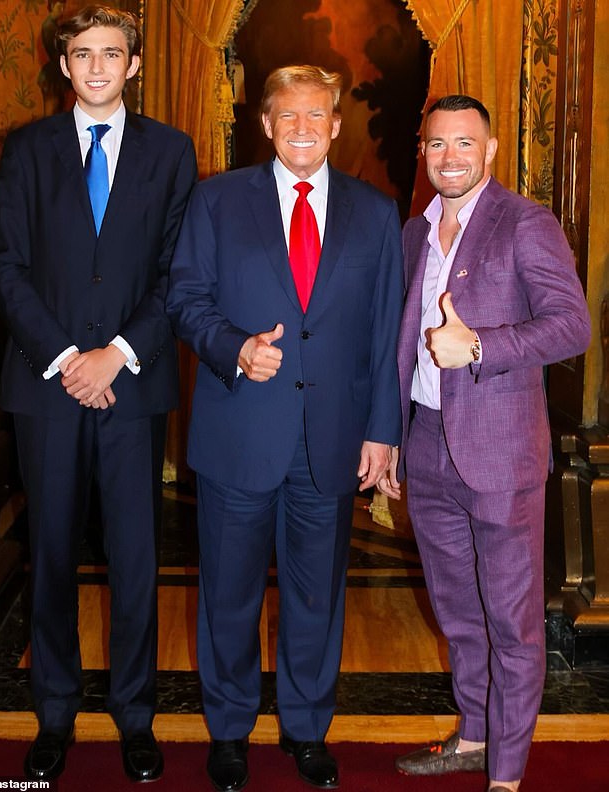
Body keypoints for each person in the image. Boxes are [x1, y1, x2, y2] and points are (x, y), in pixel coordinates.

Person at [166, 65, 403, 791]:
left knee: (315, 596)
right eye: (287, 116)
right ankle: (230, 731)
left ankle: (307, 730)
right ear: (265, 125)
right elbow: (184, 298)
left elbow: (385, 331)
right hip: (239, 430)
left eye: (317, 116)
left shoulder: (375, 211)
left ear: (336, 125)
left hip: (331, 439)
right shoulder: (215, 201)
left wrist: (383, 431)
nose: (302, 127)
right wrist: (232, 346)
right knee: (229, 594)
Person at [0, 4, 197, 783]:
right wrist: (73, 357)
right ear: (63, 65)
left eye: (113, 53)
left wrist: (118, 356)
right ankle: (53, 713)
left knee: (137, 558)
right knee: (49, 555)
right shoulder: (27, 150)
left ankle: (136, 716)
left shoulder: (172, 152)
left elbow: (180, 272)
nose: (99, 66)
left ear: (134, 64)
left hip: (133, 388)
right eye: (84, 54)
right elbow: (5, 264)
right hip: (48, 387)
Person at [378, 95, 590, 792]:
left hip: (501, 453)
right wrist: (392, 442)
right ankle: (473, 735)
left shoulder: (526, 223)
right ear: (423, 152)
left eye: (464, 144)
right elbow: (401, 344)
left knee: (512, 620)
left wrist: (479, 345)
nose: (449, 158)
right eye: (437, 145)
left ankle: (506, 774)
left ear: (491, 150)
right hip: (428, 447)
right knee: (458, 611)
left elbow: (571, 327)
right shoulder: (414, 232)